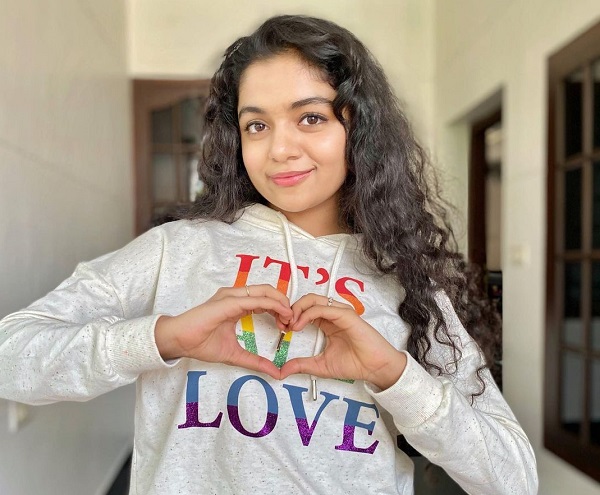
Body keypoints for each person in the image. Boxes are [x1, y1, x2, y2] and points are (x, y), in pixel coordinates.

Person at [0, 14, 537, 495]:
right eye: (257, 125)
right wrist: (162, 339)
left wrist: (395, 375)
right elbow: (11, 356)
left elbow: (513, 479)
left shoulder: (407, 284)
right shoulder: (177, 249)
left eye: (311, 118)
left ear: (358, 127)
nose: (279, 149)